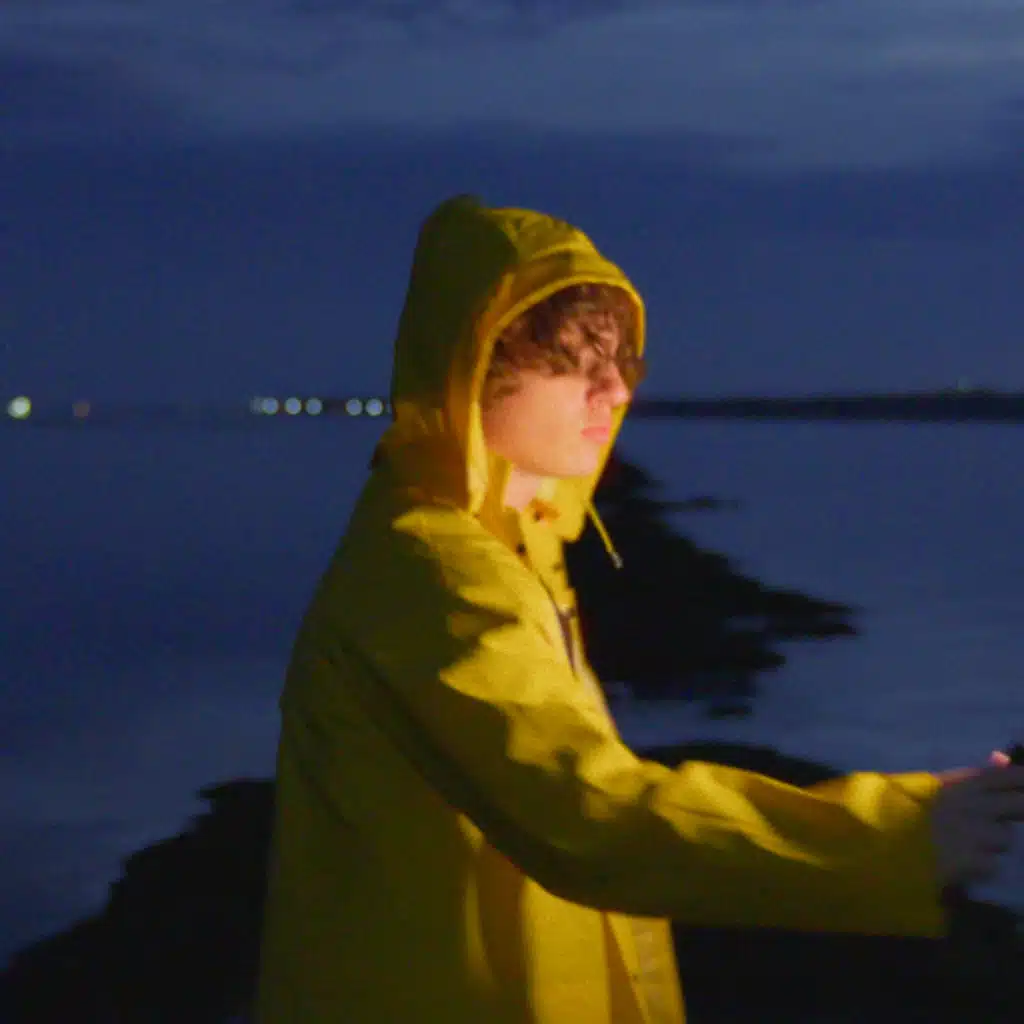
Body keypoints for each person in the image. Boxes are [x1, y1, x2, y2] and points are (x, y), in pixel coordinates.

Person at [255, 195, 1024, 1023]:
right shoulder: (432, 572)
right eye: (573, 363)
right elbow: (591, 816)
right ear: (469, 366)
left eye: (621, 360)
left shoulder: (518, 541)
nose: (616, 390)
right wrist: (899, 836)